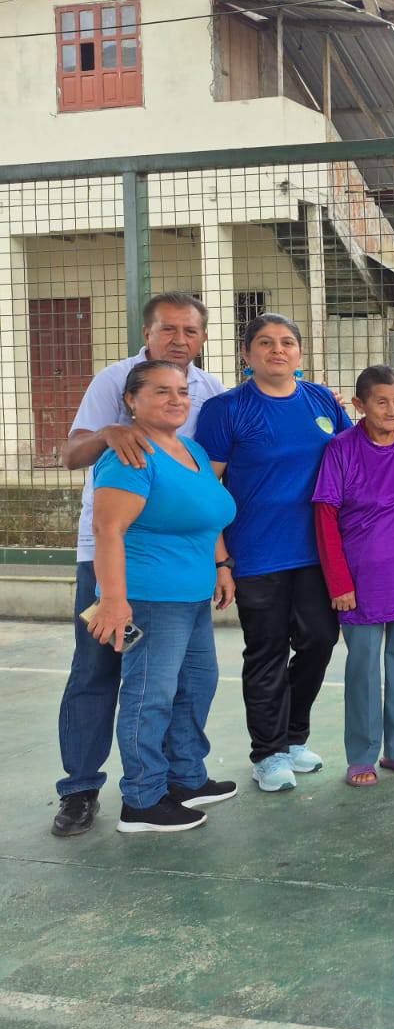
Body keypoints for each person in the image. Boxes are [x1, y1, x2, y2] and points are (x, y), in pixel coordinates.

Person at [52, 293, 224, 838]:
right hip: (117, 558)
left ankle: (177, 778)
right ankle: (80, 789)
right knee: (99, 673)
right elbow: (71, 454)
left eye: (190, 331)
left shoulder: (209, 389)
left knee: (183, 680)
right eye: (168, 329)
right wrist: (109, 433)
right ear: (147, 333)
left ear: (203, 339)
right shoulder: (115, 380)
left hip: (184, 566)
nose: (179, 339)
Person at [195, 313, 350, 794]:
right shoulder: (226, 409)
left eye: (286, 342)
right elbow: (207, 489)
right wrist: (221, 559)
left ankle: (293, 737)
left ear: (300, 353)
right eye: (264, 342)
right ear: (246, 354)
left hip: (317, 554)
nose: (277, 350)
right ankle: (268, 753)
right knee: (266, 653)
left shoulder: (322, 400)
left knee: (320, 641)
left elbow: (358, 454)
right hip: (257, 555)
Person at [88, 360, 238, 833]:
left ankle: (185, 778)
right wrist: (114, 600)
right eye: (161, 391)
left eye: (182, 391)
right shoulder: (130, 455)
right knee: (149, 696)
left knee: (197, 686)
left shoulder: (191, 449)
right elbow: (108, 529)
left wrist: (221, 565)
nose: (176, 400)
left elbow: (207, 514)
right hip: (149, 598)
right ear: (131, 400)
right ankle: (142, 799)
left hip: (192, 596)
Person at [312, 366, 394, 787]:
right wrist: (339, 583)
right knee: (363, 670)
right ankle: (362, 755)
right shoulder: (341, 449)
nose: (393, 409)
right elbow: (325, 518)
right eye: (382, 402)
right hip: (362, 582)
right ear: (359, 405)